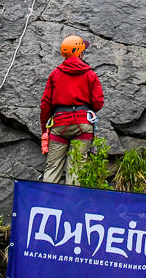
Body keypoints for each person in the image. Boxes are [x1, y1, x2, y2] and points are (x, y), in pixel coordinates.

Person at [40, 35, 105, 184]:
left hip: (59, 124)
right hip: (83, 124)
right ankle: (71, 206)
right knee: (76, 169)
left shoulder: (55, 74)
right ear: (80, 53)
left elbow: (45, 104)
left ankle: (45, 204)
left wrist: (45, 130)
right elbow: (98, 103)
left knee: (52, 168)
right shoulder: (90, 74)